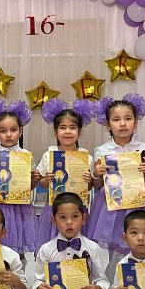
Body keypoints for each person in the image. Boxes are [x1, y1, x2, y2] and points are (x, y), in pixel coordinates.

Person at [88, 94, 145, 284]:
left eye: (128, 118)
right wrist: (97, 173)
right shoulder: (103, 150)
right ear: (108, 125)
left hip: (135, 205)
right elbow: (97, 185)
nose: (123, 124)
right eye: (116, 119)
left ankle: (130, 285)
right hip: (109, 207)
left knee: (134, 245)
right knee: (110, 249)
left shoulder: (143, 148)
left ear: (136, 122)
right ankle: (104, 285)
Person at [28, 192, 109, 289]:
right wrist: (39, 287)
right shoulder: (46, 249)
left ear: (83, 219)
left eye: (75, 216)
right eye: (63, 217)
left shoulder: (93, 248)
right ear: (53, 220)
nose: (69, 222)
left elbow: (102, 280)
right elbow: (38, 279)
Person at [0, 100, 40, 257]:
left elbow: (29, 187)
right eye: (3, 131)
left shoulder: (26, 155)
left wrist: (35, 179)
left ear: (20, 131)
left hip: (19, 207)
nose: (8, 134)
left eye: (13, 130)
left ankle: (17, 268)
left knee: (17, 245)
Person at [35, 99, 95, 250]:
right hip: (55, 207)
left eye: (72, 127)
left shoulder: (86, 157)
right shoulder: (49, 155)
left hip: (77, 209)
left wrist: (88, 181)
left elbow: (88, 188)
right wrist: (47, 179)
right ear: (55, 131)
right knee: (52, 246)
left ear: (79, 132)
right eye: (62, 127)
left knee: (78, 249)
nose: (67, 131)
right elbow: (41, 183)